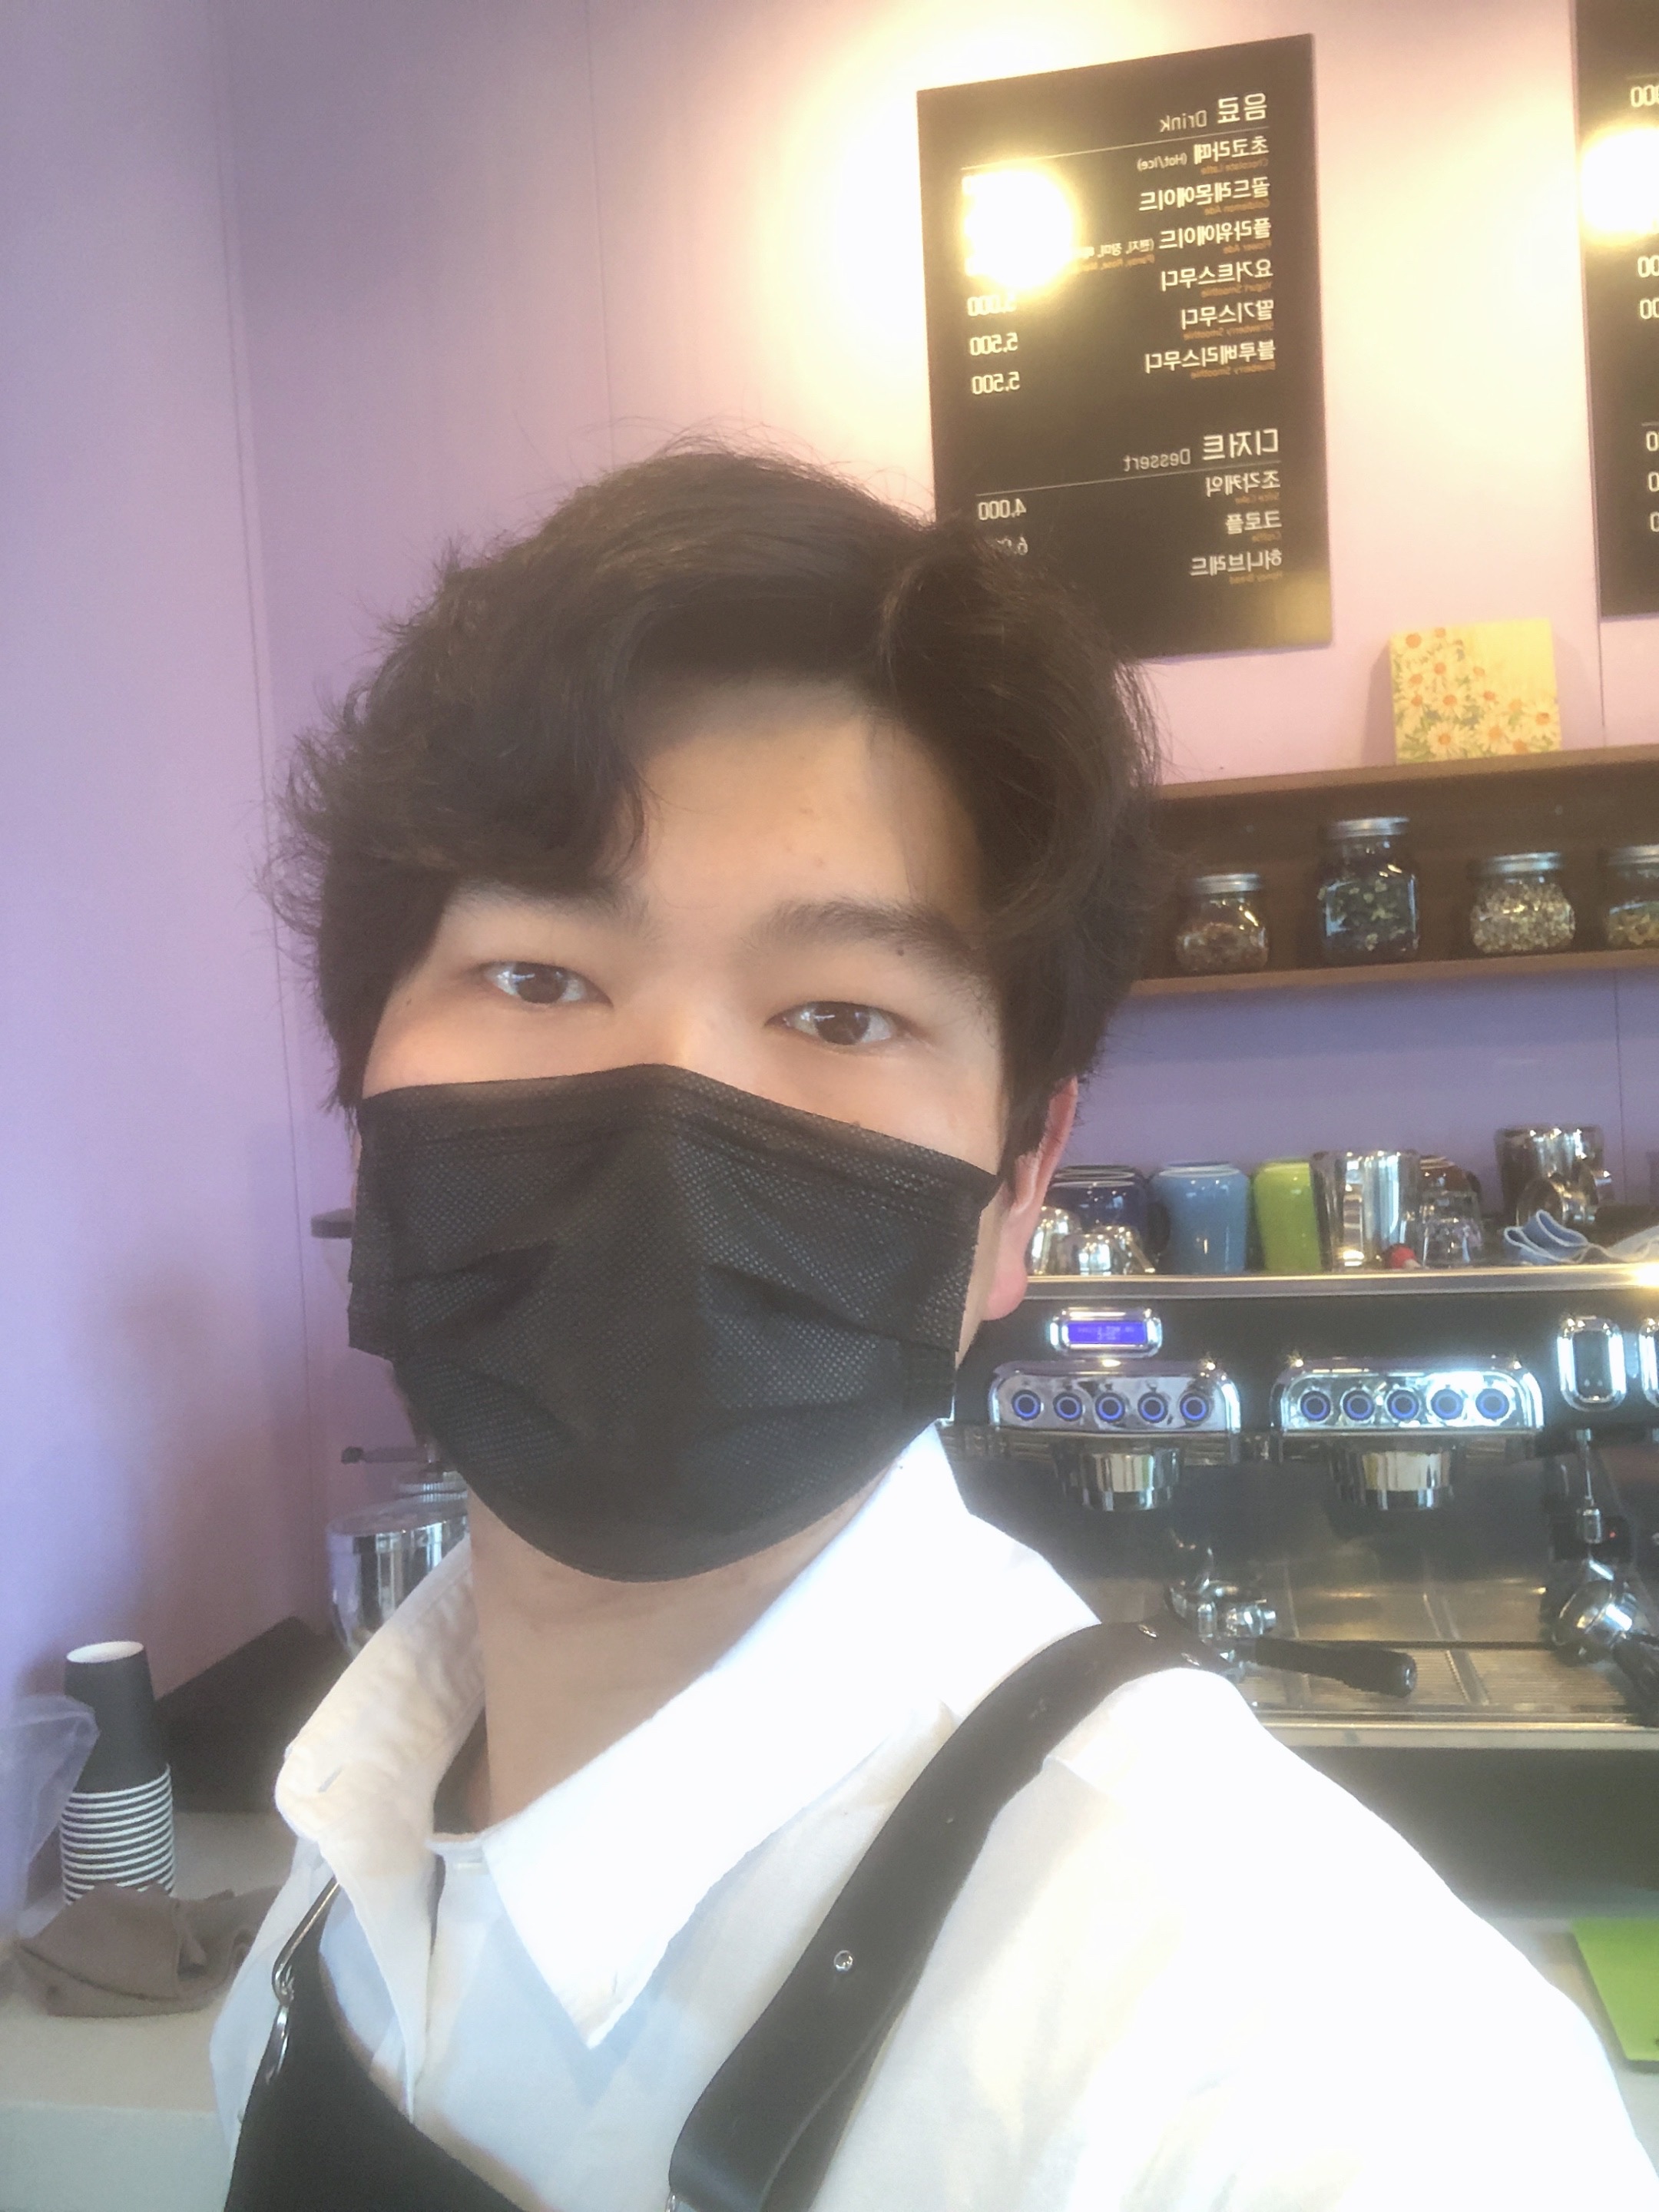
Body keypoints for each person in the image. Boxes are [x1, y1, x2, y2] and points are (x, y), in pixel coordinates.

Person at [212, 447, 1657, 2210]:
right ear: (365, 1093)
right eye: (538, 976)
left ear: (1018, 1188)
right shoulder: (340, 1837)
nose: (669, 1124)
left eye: (841, 1013)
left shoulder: (1328, 2081)